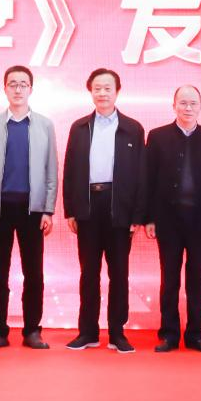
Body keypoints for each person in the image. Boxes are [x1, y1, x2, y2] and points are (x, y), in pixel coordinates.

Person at [0, 65, 59, 350]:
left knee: (34, 274)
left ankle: (32, 330)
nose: (18, 89)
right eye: (13, 84)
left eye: (23, 84)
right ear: (5, 88)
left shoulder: (45, 125)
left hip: (32, 210)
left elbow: (51, 170)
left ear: (31, 89)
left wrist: (48, 210)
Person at [63, 68, 146, 354]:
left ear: (117, 91)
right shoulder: (79, 127)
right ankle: (87, 332)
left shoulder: (133, 128)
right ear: (90, 91)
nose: (102, 93)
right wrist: (70, 210)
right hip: (88, 206)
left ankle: (117, 333)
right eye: (97, 88)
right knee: (89, 272)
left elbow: (141, 174)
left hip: (119, 206)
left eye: (107, 88)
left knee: (119, 273)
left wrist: (138, 215)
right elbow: (70, 170)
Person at [144, 85, 201, 353]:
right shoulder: (157, 137)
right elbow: (149, 179)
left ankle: (195, 335)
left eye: (193, 103)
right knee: (169, 279)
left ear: (200, 106)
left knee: (197, 279)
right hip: (167, 220)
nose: (188, 108)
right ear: (174, 105)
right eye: (183, 103)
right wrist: (149, 218)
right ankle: (169, 334)